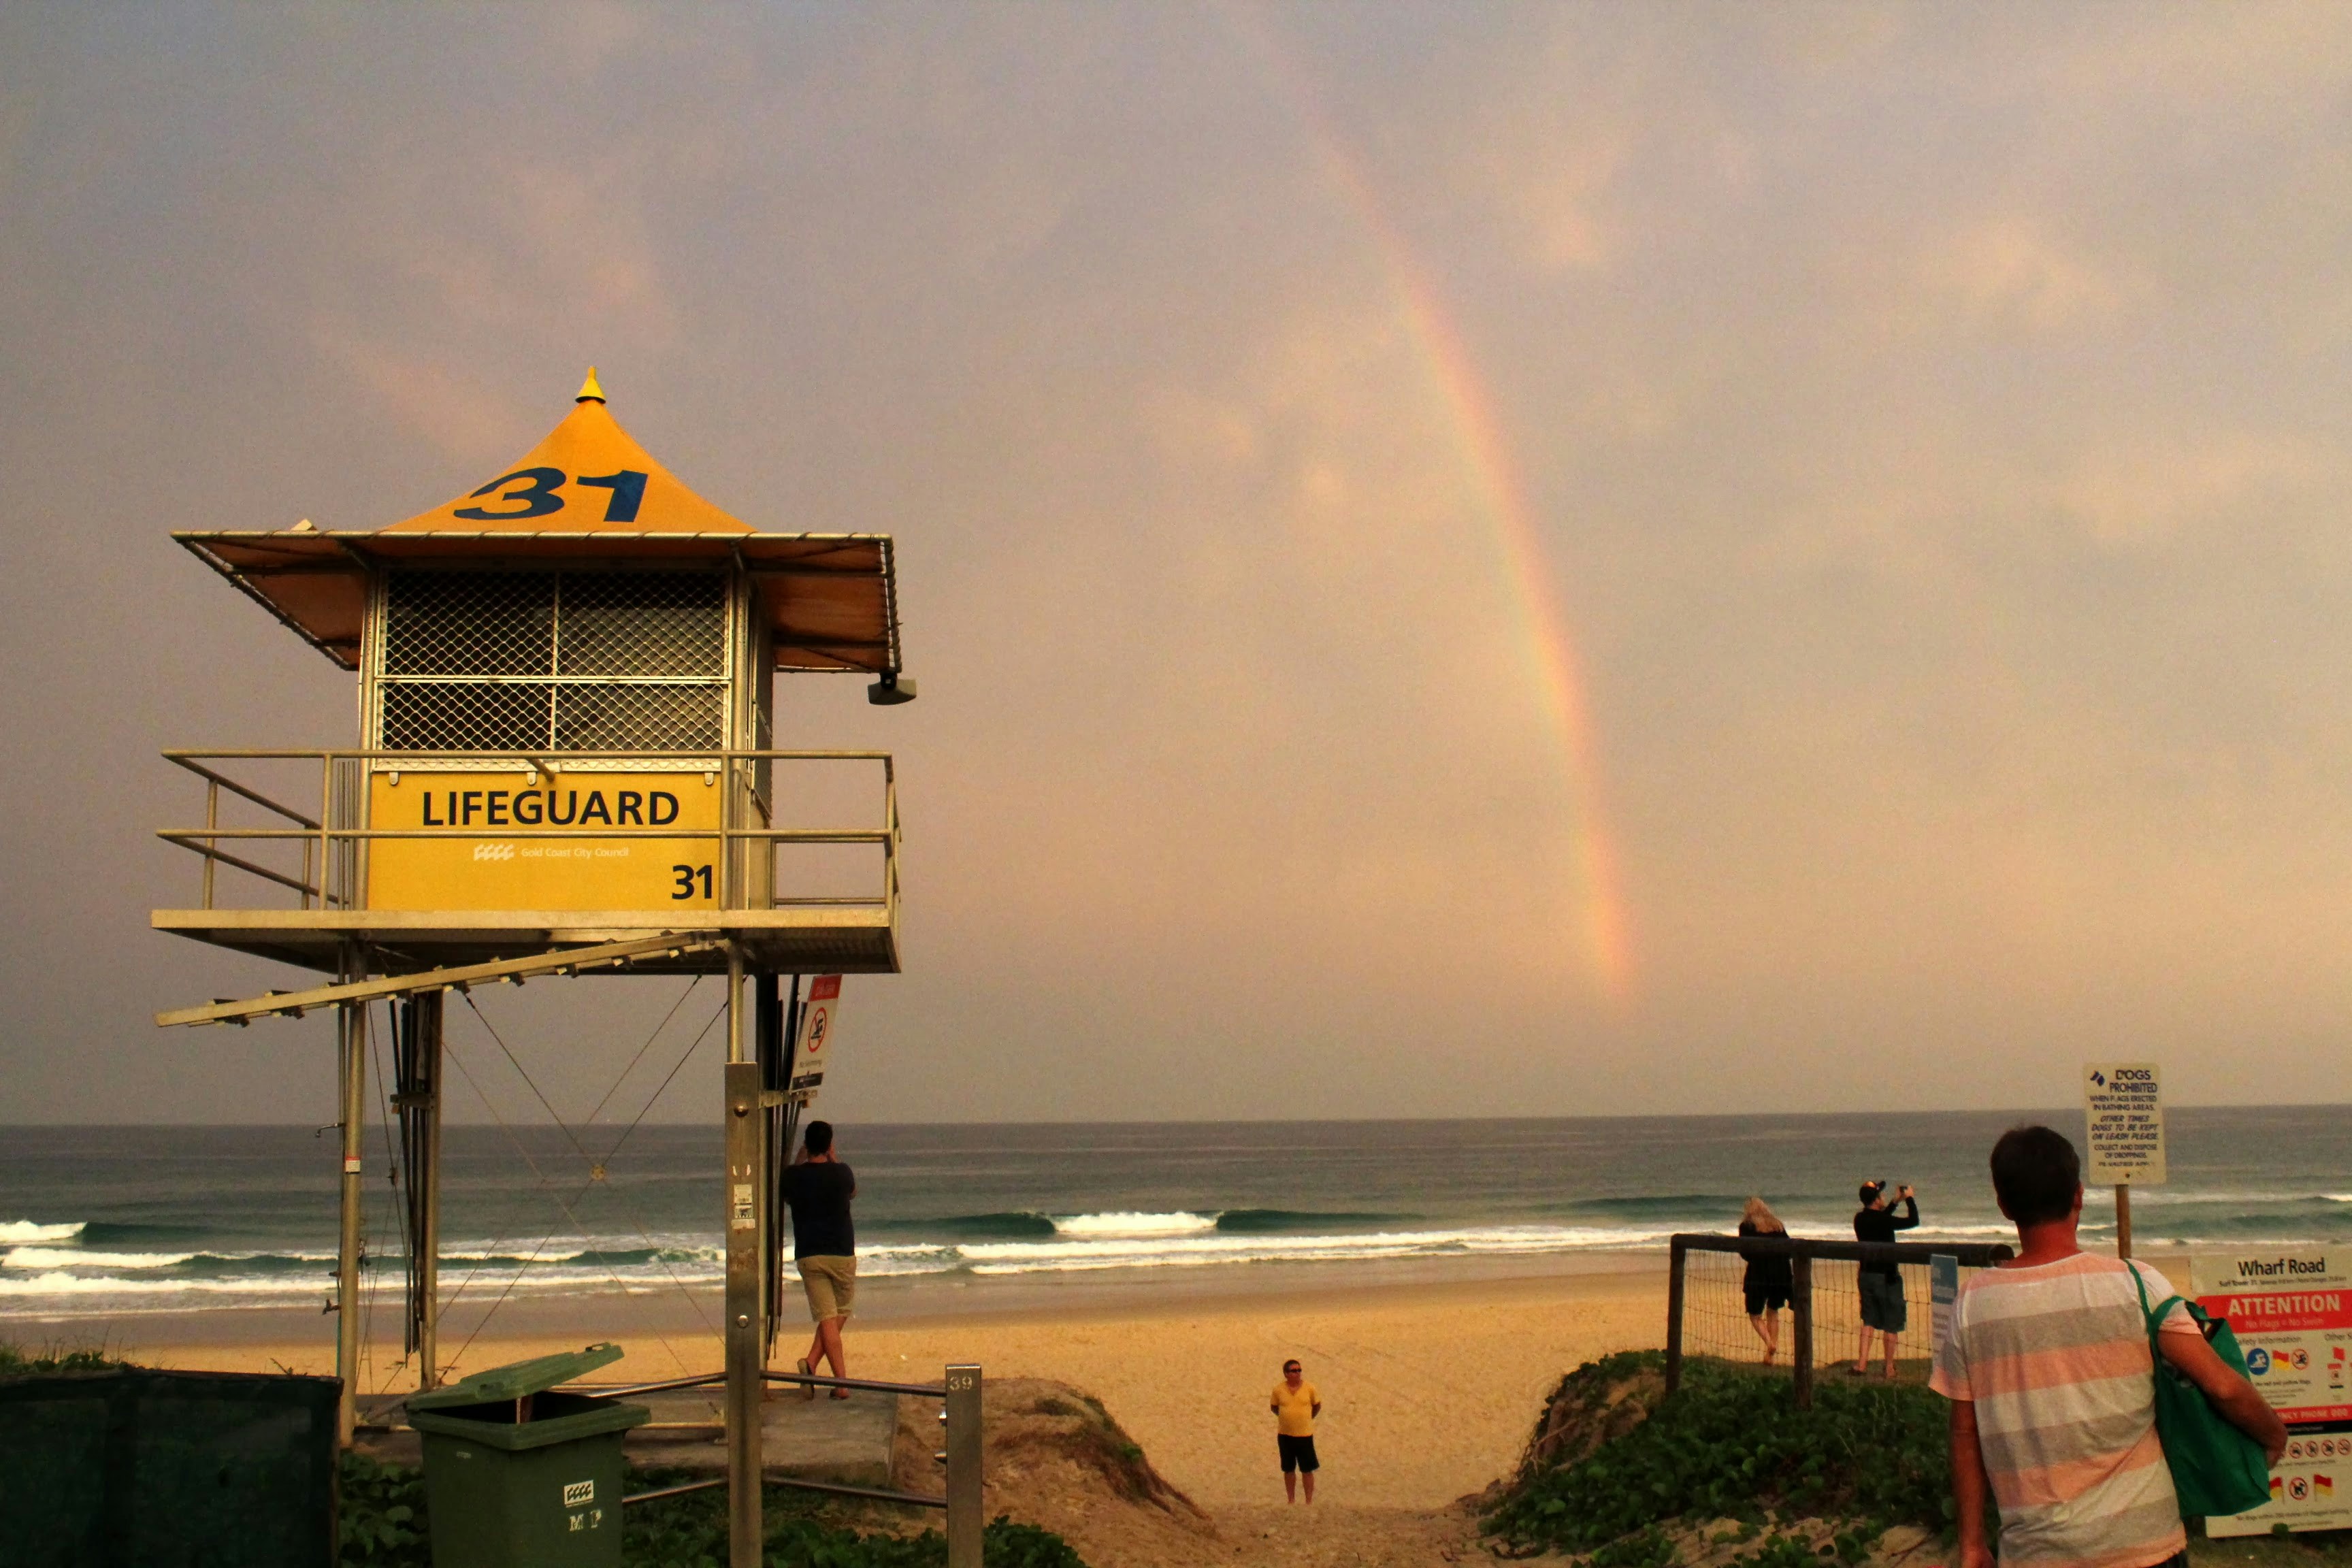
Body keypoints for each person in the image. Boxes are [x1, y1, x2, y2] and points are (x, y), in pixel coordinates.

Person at [1934, 1126, 2283, 1568]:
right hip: (2145, 1545)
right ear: (2078, 1195)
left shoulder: (1973, 1303)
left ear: (2004, 1205)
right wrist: (2274, 1435)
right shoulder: (2137, 1285)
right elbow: (2222, 1386)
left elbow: (1965, 1432)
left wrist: (1971, 1542)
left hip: (2036, 1554)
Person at [778, 1120, 857, 1401]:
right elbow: (853, 1192)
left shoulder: (793, 1176)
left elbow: (787, 1194)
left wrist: (800, 1159)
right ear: (830, 1144)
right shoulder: (842, 1172)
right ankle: (842, 1384)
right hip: (842, 1252)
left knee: (828, 1317)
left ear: (806, 1144)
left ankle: (811, 1363)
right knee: (838, 1314)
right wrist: (834, 1158)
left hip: (810, 1254)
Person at [1852, 1178, 1918, 1377]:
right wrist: (1910, 1200)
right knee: (1891, 1321)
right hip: (1887, 1276)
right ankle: (1889, 1366)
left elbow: (1880, 1220)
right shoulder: (1884, 1220)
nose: (1883, 1197)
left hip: (1866, 1274)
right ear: (1877, 1199)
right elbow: (1913, 1221)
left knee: (1869, 1319)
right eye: (1881, 1195)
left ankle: (1861, 1364)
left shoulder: (1860, 1219)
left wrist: (1894, 1203)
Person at [1738, 1197, 1795, 1365]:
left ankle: (1769, 1343)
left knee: (1755, 1314)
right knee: (1773, 1310)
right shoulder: (1777, 1224)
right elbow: (1789, 1248)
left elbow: (1745, 1252)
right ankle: (1771, 1354)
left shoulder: (1747, 1226)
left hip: (1759, 1273)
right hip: (1781, 1273)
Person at [1271, 1358, 1322, 1503]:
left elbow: (1317, 1406)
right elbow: (1274, 1408)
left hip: (1305, 1434)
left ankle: (1309, 1501)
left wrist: (1307, 1418)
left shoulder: (1310, 1388)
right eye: (1294, 1371)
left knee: (1307, 1469)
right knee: (1288, 1469)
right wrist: (1286, 1417)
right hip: (1285, 1435)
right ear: (1286, 1374)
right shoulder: (1279, 1390)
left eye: (1299, 1370)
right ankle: (1291, 1500)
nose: (1297, 1373)